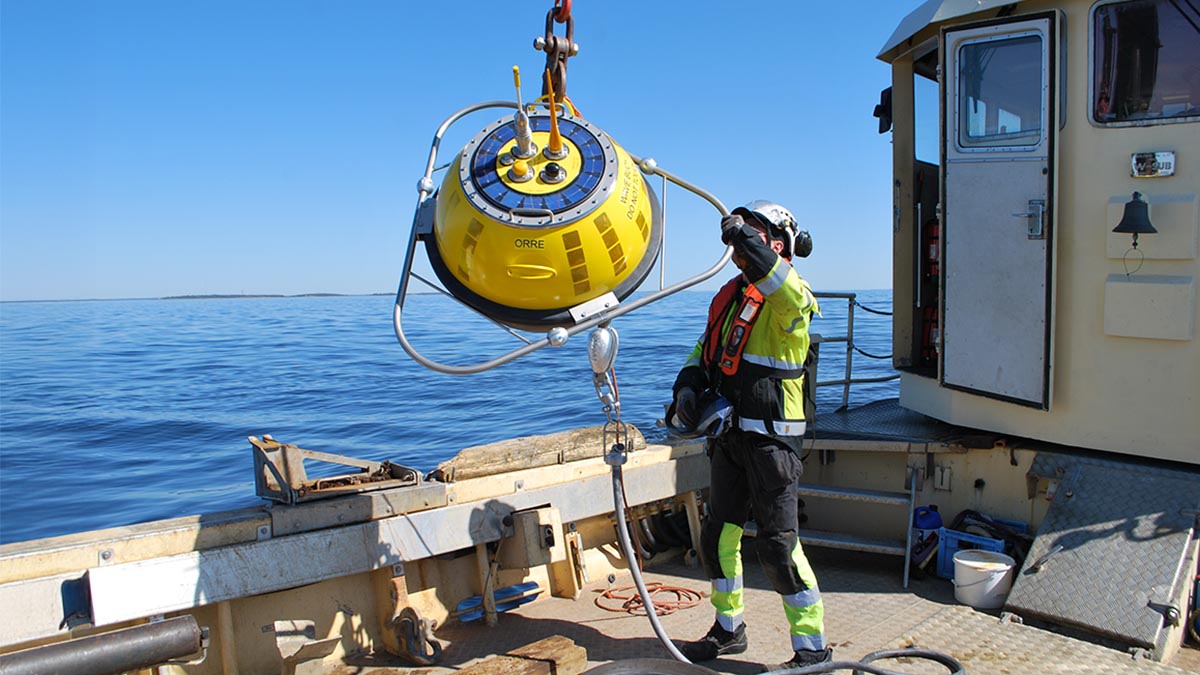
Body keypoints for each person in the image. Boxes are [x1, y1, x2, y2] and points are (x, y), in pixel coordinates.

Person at [669, 200, 828, 672]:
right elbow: (704, 349)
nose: (742, 243)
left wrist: (741, 235)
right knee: (718, 537)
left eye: (755, 234)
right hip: (730, 441)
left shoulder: (791, 295)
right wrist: (687, 386)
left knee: (779, 545)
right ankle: (728, 630)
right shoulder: (728, 297)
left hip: (773, 446)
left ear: (777, 243)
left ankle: (811, 650)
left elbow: (774, 277)